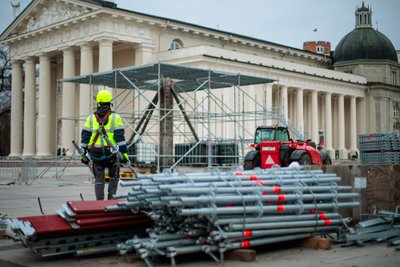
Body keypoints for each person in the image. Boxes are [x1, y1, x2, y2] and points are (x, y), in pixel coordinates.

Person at [80, 90, 129, 200]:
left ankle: (99, 203)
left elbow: (84, 138)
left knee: (99, 179)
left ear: (98, 103)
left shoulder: (90, 118)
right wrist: (124, 154)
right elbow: (120, 138)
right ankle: (111, 201)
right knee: (113, 177)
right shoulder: (115, 117)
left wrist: (83, 154)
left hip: (95, 154)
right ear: (109, 103)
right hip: (111, 154)